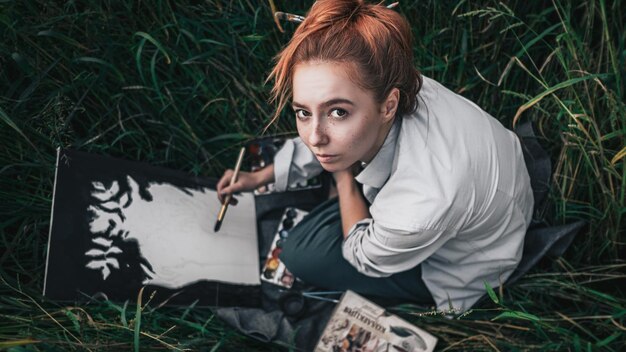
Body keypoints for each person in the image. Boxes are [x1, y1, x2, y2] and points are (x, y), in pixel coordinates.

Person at [217, 0, 533, 313]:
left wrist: (343, 180)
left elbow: (361, 257)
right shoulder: (391, 80)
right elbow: (330, 133)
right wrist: (260, 177)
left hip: (465, 266)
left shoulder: (418, 207)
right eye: (303, 112)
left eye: (338, 111)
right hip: (493, 195)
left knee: (299, 254)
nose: (314, 137)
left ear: (389, 106)